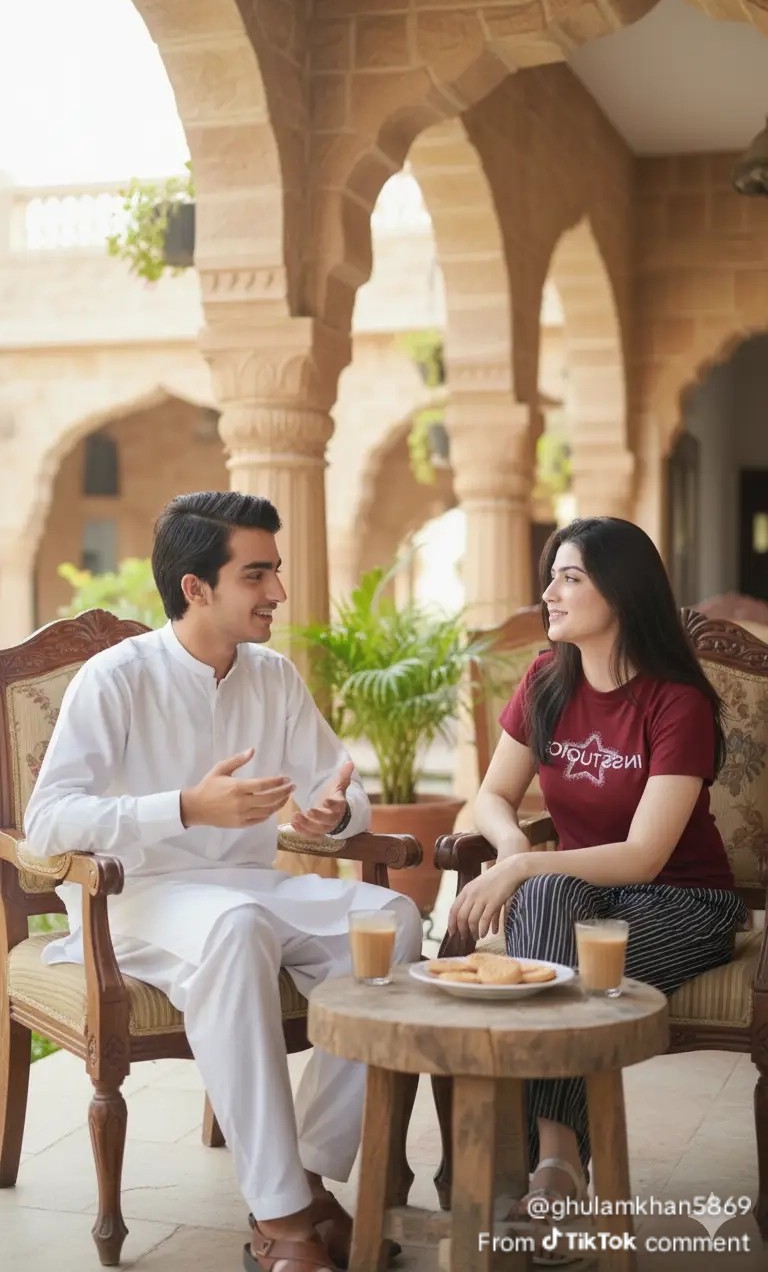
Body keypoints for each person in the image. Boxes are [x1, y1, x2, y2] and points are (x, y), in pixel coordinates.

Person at [24, 490, 423, 1272]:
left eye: (275, 571)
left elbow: (337, 787)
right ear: (196, 588)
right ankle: (281, 1222)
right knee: (235, 930)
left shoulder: (273, 677)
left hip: (248, 887)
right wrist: (182, 807)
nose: (278, 592)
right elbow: (48, 823)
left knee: (391, 923)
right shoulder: (116, 679)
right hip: (138, 900)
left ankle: (303, 1176)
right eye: (258, 574)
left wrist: (331, 816)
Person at [448, 517, 745, 1263]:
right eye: (553, 575)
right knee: (553, 909)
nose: (548, 591)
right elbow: (491, 795)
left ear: (622, 589)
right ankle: (559, 1160)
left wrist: (521, 870)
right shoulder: (548, 679)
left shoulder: (675, 702)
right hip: (579, 901)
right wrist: (514, 844)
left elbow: (646, 855)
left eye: (570, 577)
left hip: (683, 903)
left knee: (552, 923)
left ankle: (547, 1163)